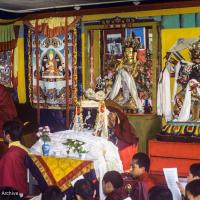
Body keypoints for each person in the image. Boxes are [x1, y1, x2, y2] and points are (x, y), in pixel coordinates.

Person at [0, 121, 28, 195]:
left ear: (8, 136)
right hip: (23, 184)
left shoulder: (10, 155)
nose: (2, 135)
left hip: (14, 192)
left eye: (3, 133)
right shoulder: (23, 148)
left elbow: (5, 179)